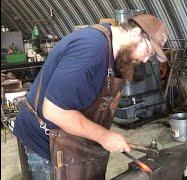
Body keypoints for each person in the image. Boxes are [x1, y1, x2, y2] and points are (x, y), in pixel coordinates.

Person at [13, 14, 168, 180]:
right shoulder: (92, 49)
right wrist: (104, 136)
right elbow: (54, 111)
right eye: (148, 51)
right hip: (44, 142)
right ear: (136, 33)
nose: (145, 60)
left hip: (73, 141)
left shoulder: (114, 57)